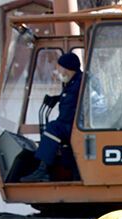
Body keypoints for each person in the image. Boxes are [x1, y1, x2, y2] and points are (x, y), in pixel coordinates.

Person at [22, 51, 83, 182]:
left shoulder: (80, 83)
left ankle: (42, 171)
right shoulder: (71, 83)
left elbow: (76, 104)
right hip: (70, 124)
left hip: (75, 125)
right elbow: (71, 101)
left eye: (60, 68)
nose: (58, 71)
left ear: (68, 68)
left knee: (52, 128)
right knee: (54, 129)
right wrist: (58, 98)